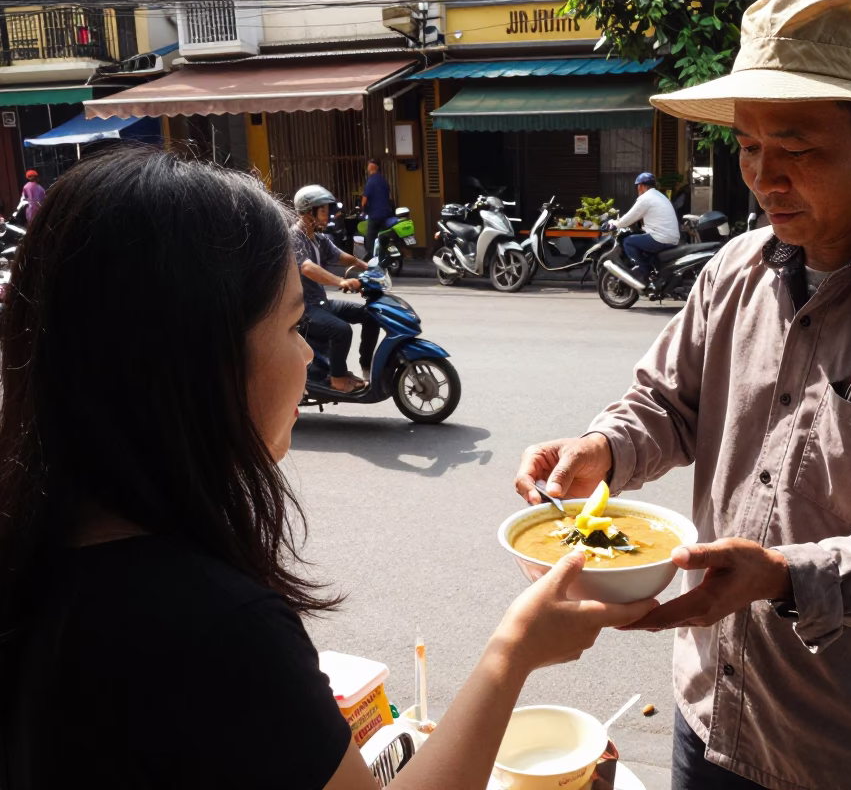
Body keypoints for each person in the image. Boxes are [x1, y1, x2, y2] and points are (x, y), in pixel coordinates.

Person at [0, 147, 655, 789]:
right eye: (291, 329)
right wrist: (514, 652)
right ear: (198, 364)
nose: (304, 351)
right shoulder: (217, 632)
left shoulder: (40, 563)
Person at [516, 0, 851, 790]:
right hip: (708, 706)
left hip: (847, 745)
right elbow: (667, 403)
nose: (763, 178)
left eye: (796, 148)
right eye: (747, 146)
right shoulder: (734, 269)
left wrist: (788, 575)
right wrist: (603, 448)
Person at [292, 184, 379, 392]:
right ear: (307, 211)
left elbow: (339, 256)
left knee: (372, 314)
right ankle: (337, 379)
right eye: (322, 210)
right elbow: (307, 267)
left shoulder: (318, 238)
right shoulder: (294, 238)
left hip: (320, 303)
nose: (327, 215)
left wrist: (364, 266)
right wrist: (340, 282)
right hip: (303, 309)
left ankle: (366, 365)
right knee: (341, 330)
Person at [609, 172, 681, 281]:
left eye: (638, 186)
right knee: (641, 239)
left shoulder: (646, 198)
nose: (638, 189)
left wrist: (614, 224)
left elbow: (628, 219)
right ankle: (652, 271)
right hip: (672, 238)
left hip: (660, 238)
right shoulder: (660, 196)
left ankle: (644, 273)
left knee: (628, 241)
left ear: (641, 186)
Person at [361, 158, 395, 262]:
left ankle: (371, 258)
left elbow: (364, 201)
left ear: (371, 167)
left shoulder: (371, 181)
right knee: (382, 236)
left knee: (370, 237)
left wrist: (364, 209)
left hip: (375, 215)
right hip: (386, 214)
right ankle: (382, 255)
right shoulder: (383, 180)